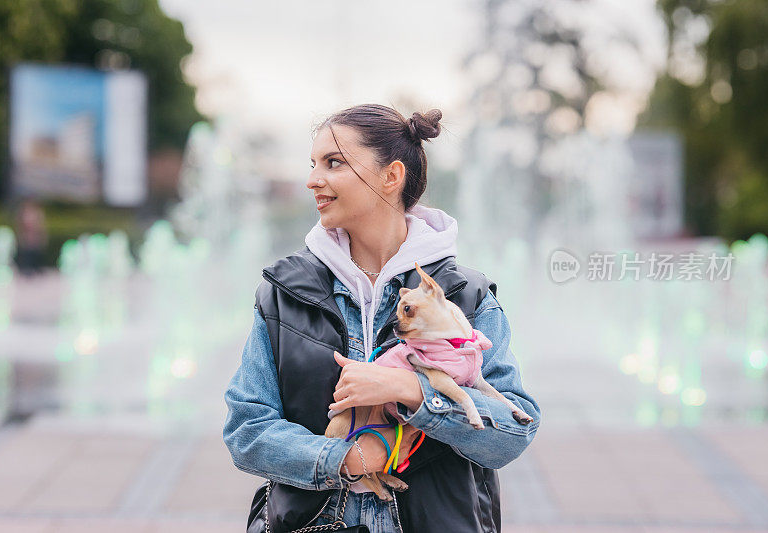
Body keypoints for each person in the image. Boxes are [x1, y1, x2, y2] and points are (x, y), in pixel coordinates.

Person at [223, 104, 541, 533]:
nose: (312, 179)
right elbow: (247, 430)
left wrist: (412, 389)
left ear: (391, 177)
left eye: (333, 163)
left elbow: (512, 433)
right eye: (313, 164)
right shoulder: (284, 294)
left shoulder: (465, 298)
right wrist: (348, 459)